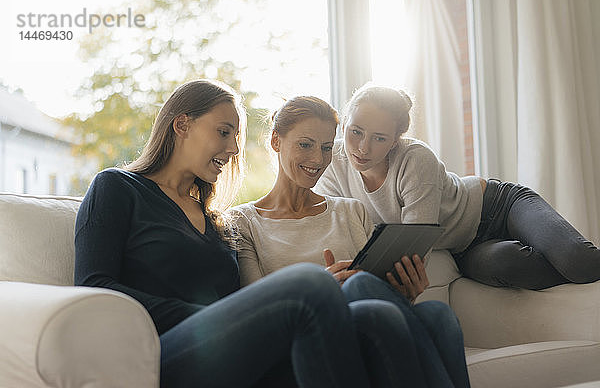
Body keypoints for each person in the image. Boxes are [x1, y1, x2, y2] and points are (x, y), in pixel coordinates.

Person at [73, 79, 409, 388]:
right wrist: (211, 317)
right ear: (182, 125)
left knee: (374, 315)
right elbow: (94, 287)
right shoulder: (117, 187)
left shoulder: (215, 220)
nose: (234, 149)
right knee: (311, 282)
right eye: (224, 132)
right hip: (158, 353)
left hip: (229, 350)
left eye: (236, 137)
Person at [231, 96, 471, 388]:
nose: (318, 160)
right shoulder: (244, 221)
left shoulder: (350, 209)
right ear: (276, 141)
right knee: (360, 289)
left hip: (374, 329)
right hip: (307, 337)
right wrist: (320, 288)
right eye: (305, 145)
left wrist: (405, 289)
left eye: (327, 148)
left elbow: (378, 291)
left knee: (438, 314)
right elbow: (256, 309)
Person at [314, 83, 600, 290]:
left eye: (379, 138)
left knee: (579, 262)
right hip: (463, 246)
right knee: (508, 264)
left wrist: (363, 272)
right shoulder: (332, 166)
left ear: (397, 138)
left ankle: (572, 263)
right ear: (344, 125)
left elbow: (416, 243)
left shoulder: (415, 158)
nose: (362, 148)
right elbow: (338, 233)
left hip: (498, 206)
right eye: (356, 132)